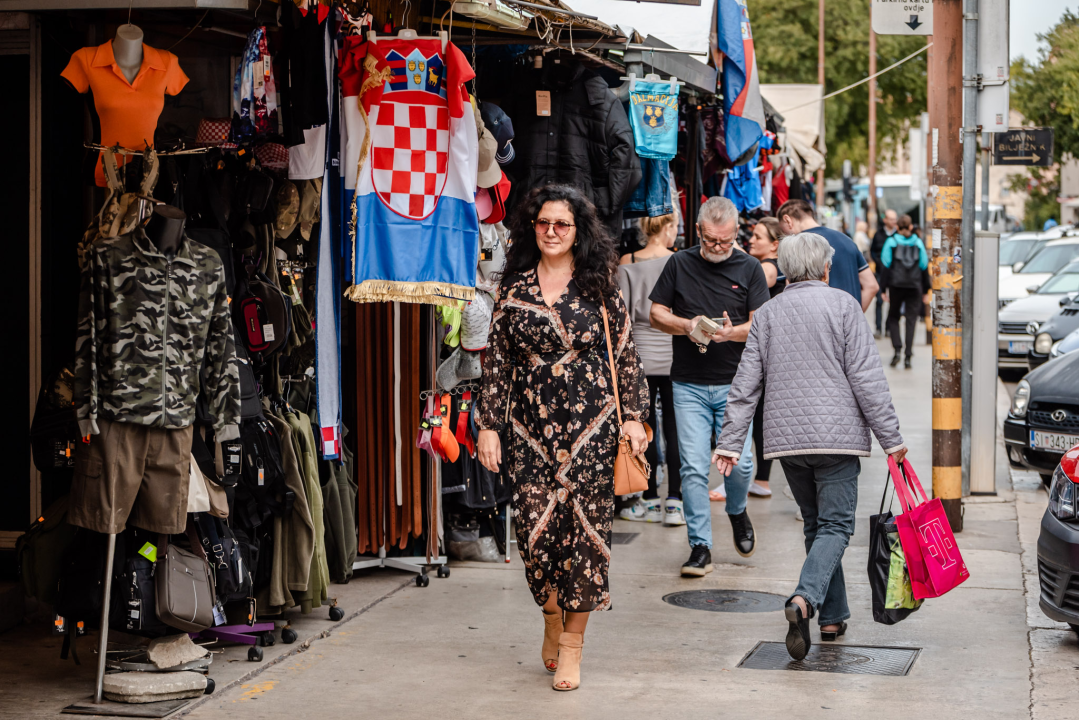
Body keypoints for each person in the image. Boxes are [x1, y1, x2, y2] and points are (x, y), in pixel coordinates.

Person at [476, 184, 650, 692]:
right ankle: (552, 613)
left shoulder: (600, 287)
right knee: (535, 538)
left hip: (592, 429)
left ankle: (572, 645)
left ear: (579, 233)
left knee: (587, 542)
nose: (552, 232)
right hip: (529, 431)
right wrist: (489, 425)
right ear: (533, 227)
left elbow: (626, 355)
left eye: (563, 225)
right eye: (544, 223)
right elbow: (499, 364)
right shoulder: (513, 289)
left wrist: (634, 417)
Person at [712, 232, 907, 661]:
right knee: (836, 528)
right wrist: (891, 439)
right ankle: (803, 600)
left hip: (789, 444)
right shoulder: (844, 307)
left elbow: (746, 386)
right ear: (824, 268)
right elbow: (867, 380)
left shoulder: (767, 314)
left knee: (816, 526)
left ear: (783, 270)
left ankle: (832, 615)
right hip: (836, 440)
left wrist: (729, 442)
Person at [649, 196, 770, 577]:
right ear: (698, 230)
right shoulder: (680, 263)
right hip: (688, 383)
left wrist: (733, 333)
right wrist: (687, 325)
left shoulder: (749, 268)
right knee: (693, 467)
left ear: (737, 233)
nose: (717, 247)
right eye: (710, 240)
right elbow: (655, 313)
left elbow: (761, 325)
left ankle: (736, 511)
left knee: (743, 463)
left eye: (725, 240)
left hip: (736, 384)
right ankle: (700, 546)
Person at [617, 212, 684, 526]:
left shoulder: (627, 261)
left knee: (643, 429)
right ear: (669, 228)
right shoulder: (681, 261)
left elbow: (623, 318)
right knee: (674, 428)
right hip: (674, 353)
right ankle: (675, 501)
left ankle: (648, 497)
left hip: (639, 356)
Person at [745, 216, 785, 498]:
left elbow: (762, 280)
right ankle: (760, 479)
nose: (751, 240)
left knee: (754, 415)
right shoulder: (772, 266)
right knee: (759, 415)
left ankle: (755, 477)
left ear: (774, 245)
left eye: (758, 237)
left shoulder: (767, 268)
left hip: (762, 351)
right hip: (768, 350)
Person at [777, 199, 878, 312]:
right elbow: (872, 286)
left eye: (783, 231)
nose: (784, 235)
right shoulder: (846, 240)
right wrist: (853, 317)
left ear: (788, 220)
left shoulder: (794, 247)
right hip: (848, 323)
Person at [882, 214, 929, 369]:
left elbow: (885, 266)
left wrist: (883, 289)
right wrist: (926, 289)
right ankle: (908, 355)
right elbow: (924, 266)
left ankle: (897, 349)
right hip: (914, 286)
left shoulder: (891, 242)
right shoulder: (918, 243)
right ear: (910, 227)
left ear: (897, 227)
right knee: (911, 320)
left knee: (893, 317)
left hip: (896, 286)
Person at [871, 210, 899, 337]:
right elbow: (872, 251)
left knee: (893, 301)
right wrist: (878, 261)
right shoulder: (878, 234)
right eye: (891, 219)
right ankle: (878, 328)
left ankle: (888, 328)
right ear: (885, 220)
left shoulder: (897, 235)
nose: (893, 221)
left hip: (894, 272)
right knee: (879, 301)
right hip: (880, 272)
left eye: (895, 219)